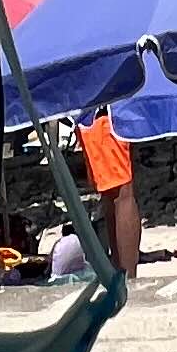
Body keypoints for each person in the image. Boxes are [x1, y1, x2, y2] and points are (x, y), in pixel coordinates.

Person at [74, 113, 141, 271]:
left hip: (104, 114)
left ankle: (127, 276)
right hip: (100, 115)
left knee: (120, 193)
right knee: (112, 192)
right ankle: (121, 273)